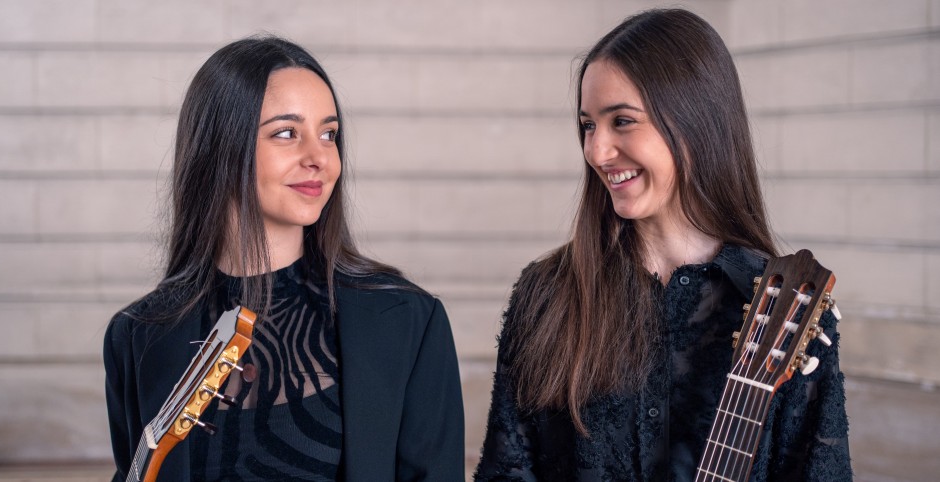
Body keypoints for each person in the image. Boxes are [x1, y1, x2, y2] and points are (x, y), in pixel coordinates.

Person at [474, 9, 851, 482]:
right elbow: (505, 471)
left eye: (623, 121)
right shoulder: (546, 293)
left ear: (696, 122)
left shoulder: (789, 309)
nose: (596, 151)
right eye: (588, 125)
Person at [104, 36, 464, 481]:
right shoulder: (137, 337)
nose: (319, 158)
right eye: (286, 133)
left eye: (328, 134)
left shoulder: (408, 320)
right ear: (221, 147)